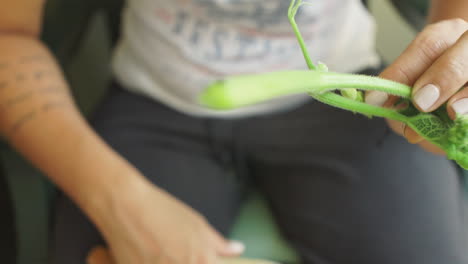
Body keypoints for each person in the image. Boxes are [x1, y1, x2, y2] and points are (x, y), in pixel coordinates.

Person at [0, 0, 467, 263]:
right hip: (155, 104)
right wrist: (120, 201)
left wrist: (448, 63)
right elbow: (7, 34)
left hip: (348, 105)